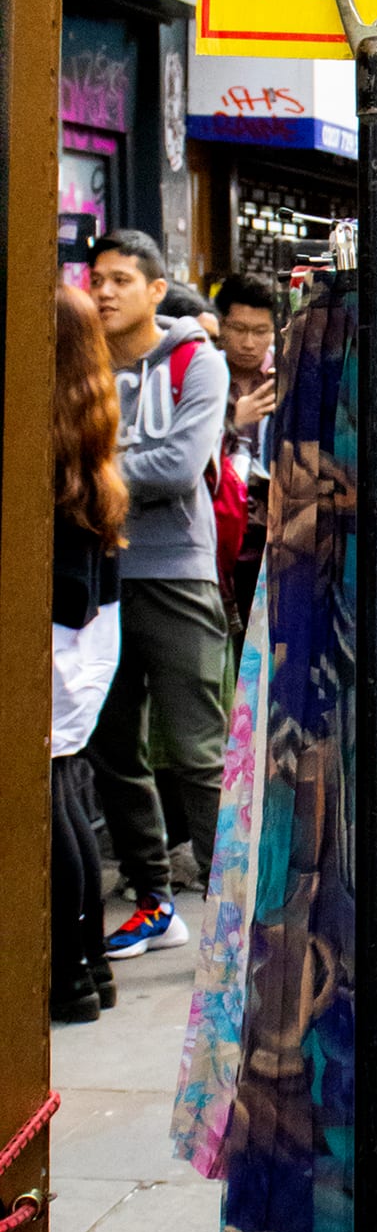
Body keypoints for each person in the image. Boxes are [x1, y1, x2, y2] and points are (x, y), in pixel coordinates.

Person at [86, 228, 230, 959]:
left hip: (176, 573)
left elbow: (178, 468)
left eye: (119, 279)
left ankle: (231, 923)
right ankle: (153, 901)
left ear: (154, 288)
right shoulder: (76, 363)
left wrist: (87, 466)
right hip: (100, 575)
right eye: (96, 278)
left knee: (198, 751)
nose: (103, 291)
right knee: (112, 750)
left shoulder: (194, 361)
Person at [50, 283, 128, 1022]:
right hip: (84, 633)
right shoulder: (84, 420)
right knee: (67, 790)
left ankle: (71, 975)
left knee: (55, 798)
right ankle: (88, 970)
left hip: (58, 634)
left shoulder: (47, 435)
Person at [213, 272, 278, 636]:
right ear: (222, 325)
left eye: (261, 331)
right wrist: (234, 421)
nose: (249, 342)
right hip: (221, 529)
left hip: (271, 527)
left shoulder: (285, 373)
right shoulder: (205, 373)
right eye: (239, 329)